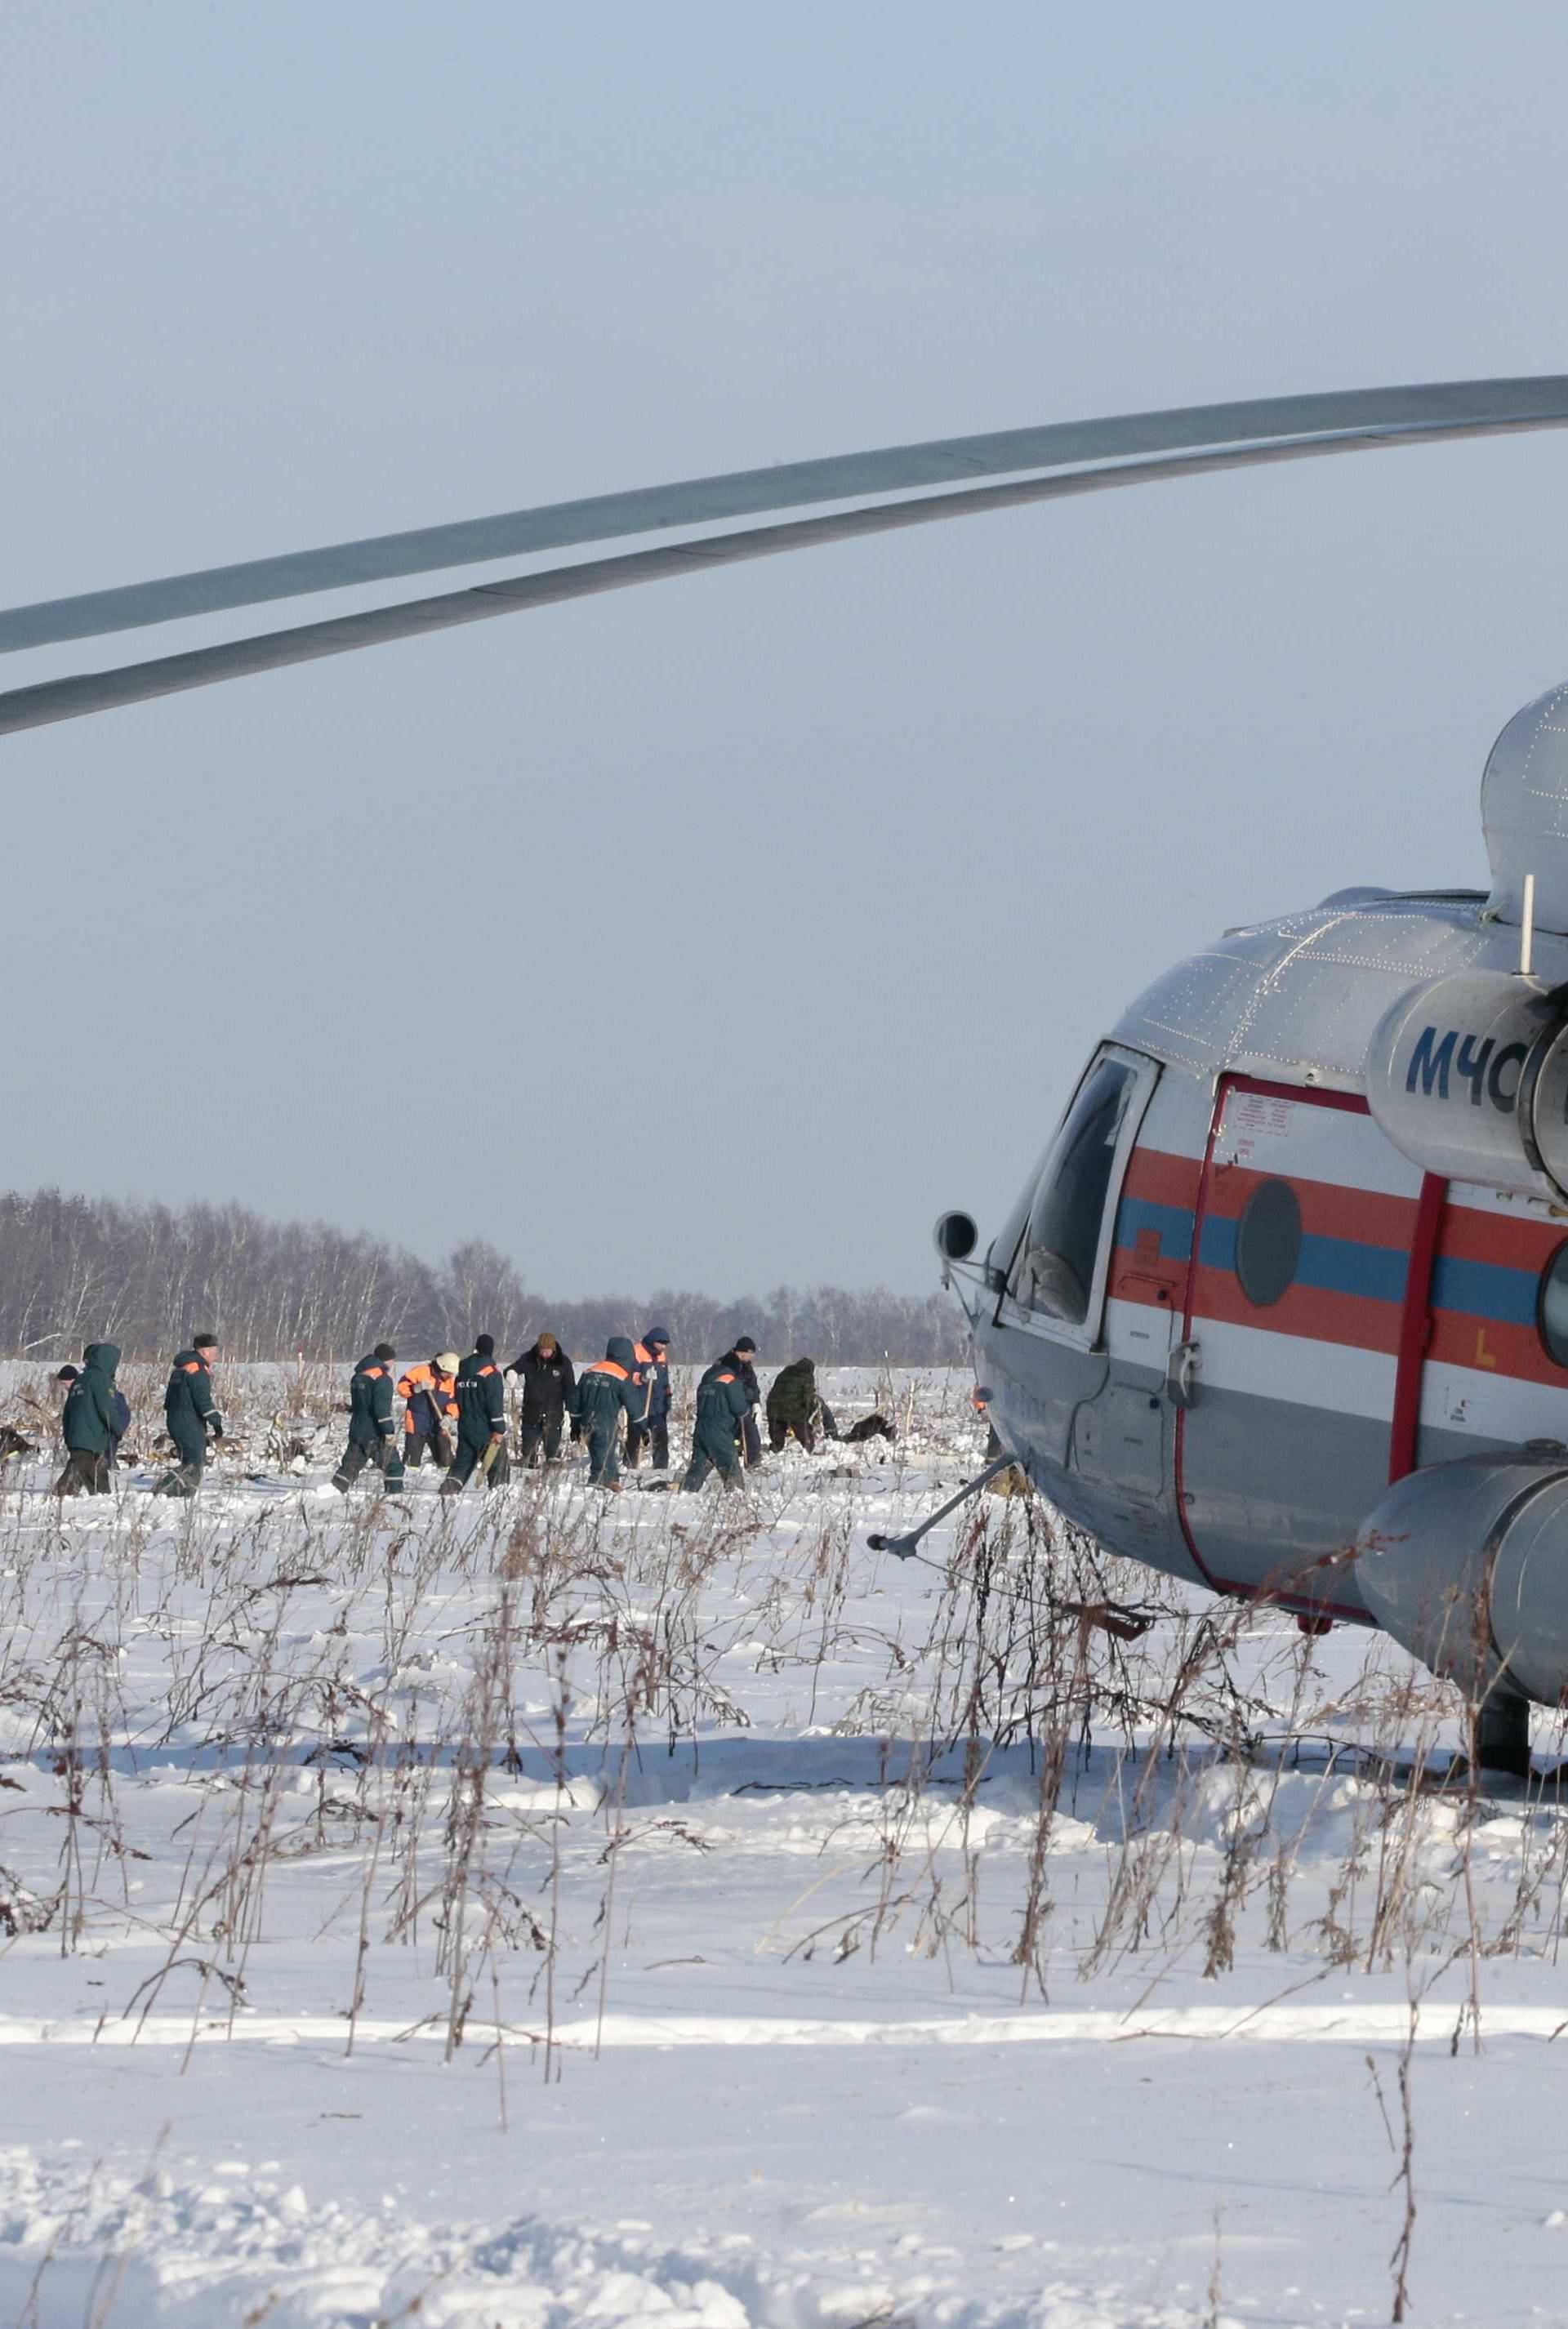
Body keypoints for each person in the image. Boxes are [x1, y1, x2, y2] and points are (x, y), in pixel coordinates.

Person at [573, 1338, 646, 1490]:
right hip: (605, 1422)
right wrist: (643, 1428)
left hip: (586, 1421)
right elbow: (634, 1407)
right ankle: (597, 1486)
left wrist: (575, 1424)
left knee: (600, 1455)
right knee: (603, 1460)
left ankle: (612, 1481)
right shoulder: (621, 1377)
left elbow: (575, 1401)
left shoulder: (588, 1372)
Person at [441, 1335, 510, 1493]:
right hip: (484, 1427)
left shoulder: (462, 1370)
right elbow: (494, 1404)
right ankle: (501, 1496)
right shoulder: (491, 1372)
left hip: (465, 1425)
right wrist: (499, 1429)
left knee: (463, 1461)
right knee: (497, 1463)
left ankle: (449, 1489)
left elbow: (455, 1396)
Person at [156, 1333, 222, 1497]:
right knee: (194, 1462)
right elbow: (202, 1400)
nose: (217, 1355)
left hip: (176, 1420)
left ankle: (181, 1493)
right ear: (205, 1352)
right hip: (189, 1422)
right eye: (214, 1351)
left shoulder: (181, 1368)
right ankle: (167, 1490)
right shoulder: (198, 1370)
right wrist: (216, 1422)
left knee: (189, 1460)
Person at [333, 1344, 404, 1493]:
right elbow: (381, 1410)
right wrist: (389, 1432)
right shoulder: (382, 1379)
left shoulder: (358, 1377)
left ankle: (334, 1491)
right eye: (393, 1360)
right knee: (393, 1465)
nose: (393, 1364)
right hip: (375, 1431)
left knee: (350, 1465)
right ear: (386, 1360)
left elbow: (360, 1405)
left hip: (357, 1427)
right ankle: (394, 1496)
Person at [54, 1342, 122, 1495]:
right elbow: (106, 1408)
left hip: (78, 1435)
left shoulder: (81, 1379)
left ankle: (104, 1499)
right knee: (77, 1469)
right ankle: (58, 1498)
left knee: (98, 1473)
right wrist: (117, 1428)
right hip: (90, 1437)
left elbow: (68, 1411)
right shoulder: (101, 1379)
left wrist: (68, 1434)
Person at [680, 1356, 749, 1493]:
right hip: (720, 1431)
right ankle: (737, 1499)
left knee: (699, 1466)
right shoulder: (730, 1380)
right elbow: (740, 1409)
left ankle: (686, 1492)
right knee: (730, 1466)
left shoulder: (705, 1381)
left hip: (701, 1430)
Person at [508, 1333, 576, 1466]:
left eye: (547, 1351)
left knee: (552, 1454)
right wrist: (511, 1373)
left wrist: (570, 1410)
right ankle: (527, 1474)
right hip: (531, 1413)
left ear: (553, 1349)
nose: (544, 1354)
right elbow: (513, 1368)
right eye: (542, 1351)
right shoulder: (528, 1359)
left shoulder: (564, 1363)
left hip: (553, 1414)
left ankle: (550, 1478)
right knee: (528, 1452)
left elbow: (570, 1388)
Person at [397, 1352, 460, 1472]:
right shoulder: (421, 1372)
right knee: (412, 1463)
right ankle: (409, 1484)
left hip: (439, 1424)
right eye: (449, 1373)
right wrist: (415, 1388)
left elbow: (453, 1402)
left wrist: (449, 1416)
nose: (451, 1376)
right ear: (442, 1367)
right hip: (416, 1423)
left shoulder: (450, 1382)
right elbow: (401, 1388)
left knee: (445, 1461)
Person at [626, 1325, 671, 1469]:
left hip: (657, 1405)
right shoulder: (637, 1351)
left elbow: (665, 1380)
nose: (664, 1347)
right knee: (635, 1436)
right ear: (654, 1341)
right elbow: (629, 1376)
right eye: (662, 1343)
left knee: (661, 1436)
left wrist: (667, 1397)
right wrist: (643, 1378)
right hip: (639, 1403)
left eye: (665, 1344)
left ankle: (660, 1467)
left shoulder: (662, 1356)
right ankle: (629, 1465)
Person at [765, 1356, 825, 1453]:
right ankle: (808, 1447)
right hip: (794, 1410)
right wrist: (809, 1413)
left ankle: (775, 1448)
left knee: (778, 1431)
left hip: (773, 1407)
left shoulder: (784, 1373)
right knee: (802, 1431)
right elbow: (807, 1397)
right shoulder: (807, 1376)